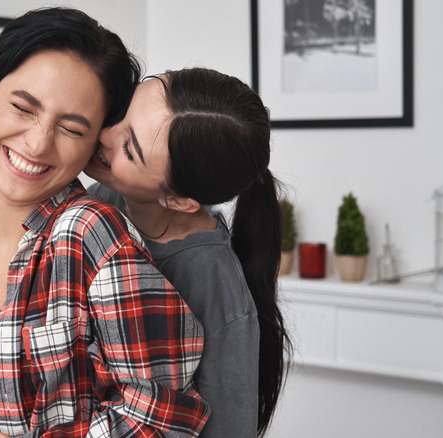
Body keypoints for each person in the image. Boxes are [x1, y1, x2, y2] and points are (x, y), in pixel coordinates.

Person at [0, 8, 209, 438]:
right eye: (22, 107)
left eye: (71, 129)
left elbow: (163, 414)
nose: (37, 143)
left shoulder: (91, 236)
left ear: (95, 146)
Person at [84, 68, 292, 437]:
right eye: (123, 111)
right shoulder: (105, 201)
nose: (103, 133)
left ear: (179, 200)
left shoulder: (214, 288)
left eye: (129, 149)